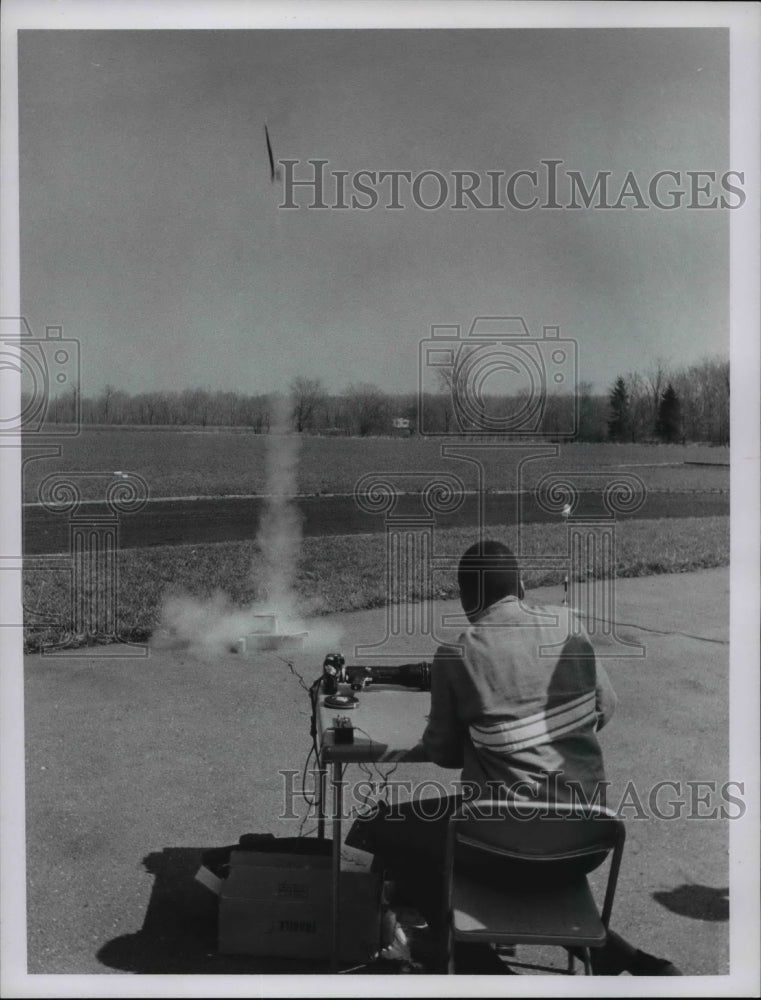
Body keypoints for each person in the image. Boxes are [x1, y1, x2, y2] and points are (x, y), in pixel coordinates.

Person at [346, 539, 681, 975]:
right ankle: (615, 953)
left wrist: (487, 734)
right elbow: (606, 707)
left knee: (379, 827)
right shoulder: (569, 628)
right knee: (501, 834)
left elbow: (444, 753)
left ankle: (475, 963)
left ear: (467, 600)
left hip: (499, 848)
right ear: (522, 586)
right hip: (586, 842)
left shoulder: (457, 654)